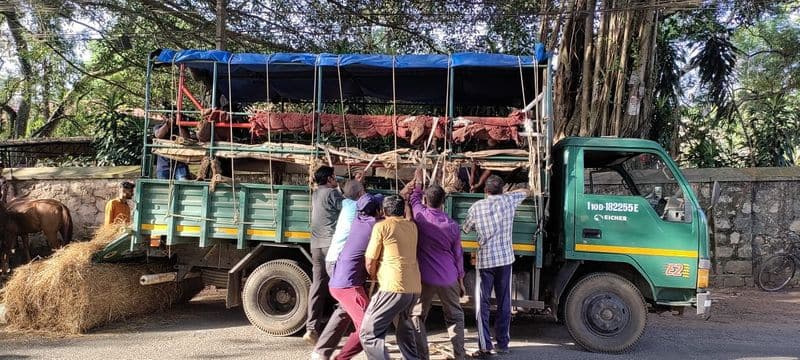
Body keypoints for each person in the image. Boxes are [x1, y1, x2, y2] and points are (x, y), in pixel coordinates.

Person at [463, 175, 530, 357]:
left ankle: (485, 346)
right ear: (502, 190)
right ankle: (503, 344)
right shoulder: (509, 201)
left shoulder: (476, 207)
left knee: (482, 305)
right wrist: (509, 193)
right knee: (504, 303)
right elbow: (526, 190)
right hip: (505, 260)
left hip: (485, 262)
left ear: (485, 191)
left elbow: (466, 228)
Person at [312, 192, 383, 360]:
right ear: (378, 210)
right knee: (367, 327)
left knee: (347, 315)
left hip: (342, 280)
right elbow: (395, 222)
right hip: (348, 286)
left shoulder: (358, 221)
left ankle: (322, 352)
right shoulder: (374, 226)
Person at [406, 170, 466, 360]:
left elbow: (413, 198)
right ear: (444, 201)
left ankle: (423, 356)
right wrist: (461, 280)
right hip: (449, 277)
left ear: (426, 200)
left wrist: (417, 181)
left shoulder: (420, 216)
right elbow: (458, 255)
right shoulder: (452, 225)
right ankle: (459, 356)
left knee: (417, 316)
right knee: (455, 317)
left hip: (425, 278)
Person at [360, 196, 421, 360]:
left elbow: (370, 261)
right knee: (404, 330)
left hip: (393, 286)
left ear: (383, 211)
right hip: (413, 288)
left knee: (368, 333)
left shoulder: (382, 227)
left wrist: (373, 276)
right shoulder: (412, 227)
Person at [305, 166, 344, 344]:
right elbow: (347, 208)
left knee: (318, 285)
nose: (336, 180)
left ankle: (311, 328)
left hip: (316, 246)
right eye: (335, 177)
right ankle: (338, 327)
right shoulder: (332, 193)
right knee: (340, 284)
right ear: (329, 179)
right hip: (330, 245)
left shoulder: (315, 194)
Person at [325, 176, 364, 276]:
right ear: (360, 193)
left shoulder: (346, 203)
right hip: (338, 261)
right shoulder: (357, 207)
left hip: (334, 259)